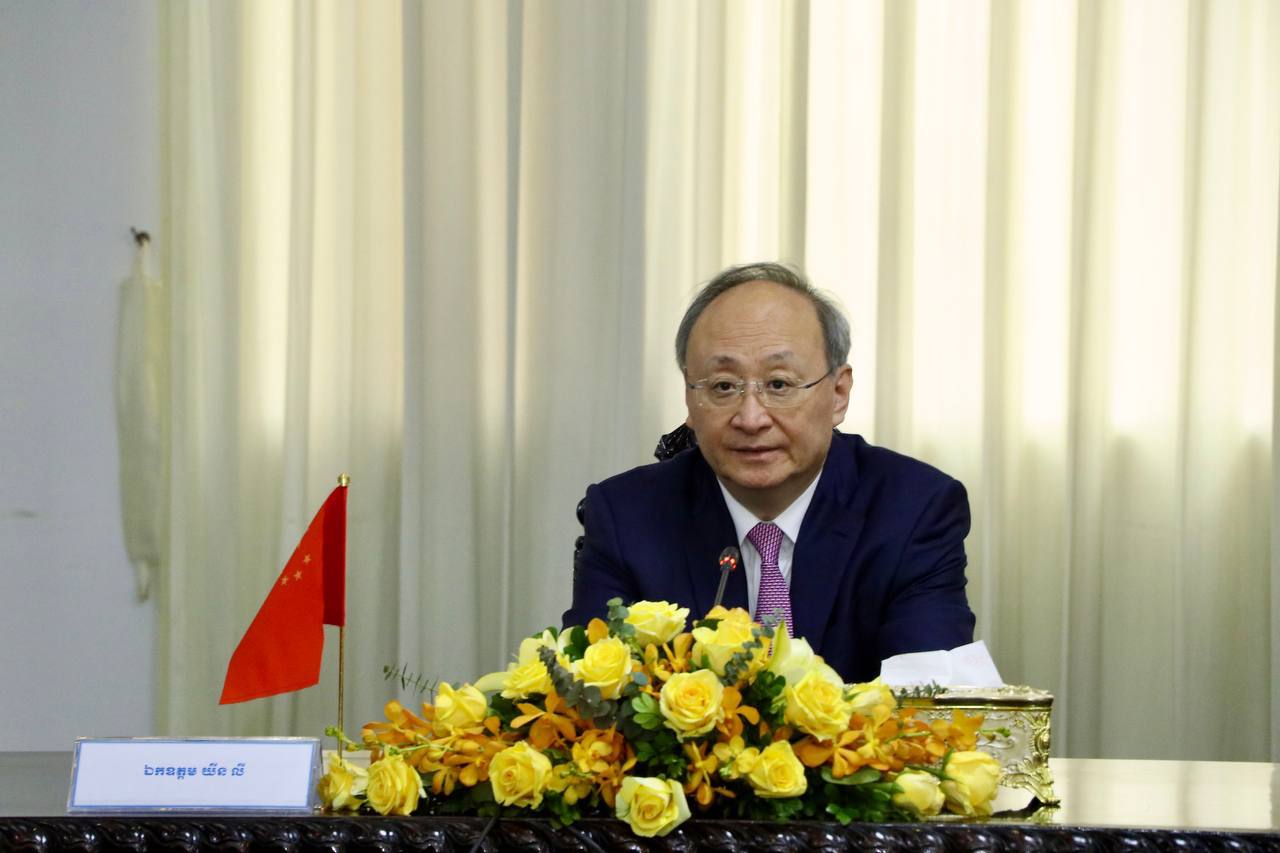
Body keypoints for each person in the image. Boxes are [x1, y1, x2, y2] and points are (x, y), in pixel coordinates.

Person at [562, 262, 975, 682]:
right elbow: (589, 698)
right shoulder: (626, 517)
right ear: (689, 397)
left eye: (779, 384)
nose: (751, 418)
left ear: (838, 393)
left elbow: (930, 701)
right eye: (723, 386)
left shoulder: (914, 511)